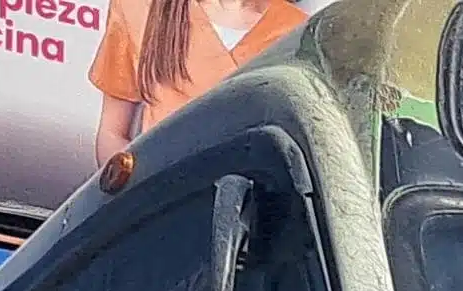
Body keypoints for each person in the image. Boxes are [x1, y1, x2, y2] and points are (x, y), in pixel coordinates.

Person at [91, 0, 315, 169]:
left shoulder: (298, 33)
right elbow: (112, 133)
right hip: (158, 206)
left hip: (247, 214)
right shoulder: (141, 8)